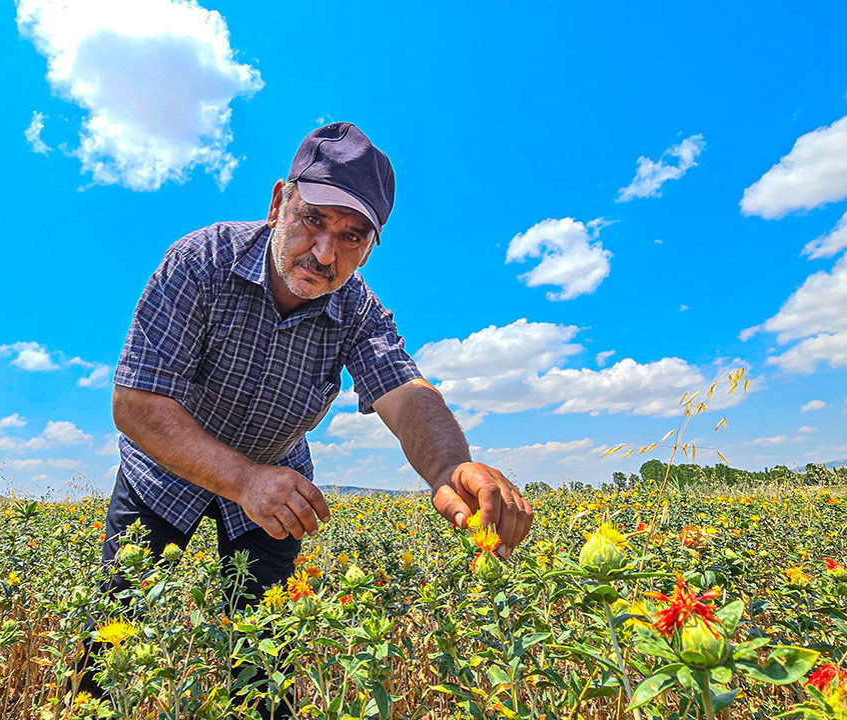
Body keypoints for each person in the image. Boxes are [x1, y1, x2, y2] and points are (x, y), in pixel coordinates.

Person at [79, 121, 535, 717]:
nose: (325, 254)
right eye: (313, 219)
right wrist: (243, 481)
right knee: (112, 645)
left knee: (266, 657)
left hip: (275, 490)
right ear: (278, 203)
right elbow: (136, 403)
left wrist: (453, 466)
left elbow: (404, 391)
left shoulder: (357, 308)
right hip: (163, 479)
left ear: (371, 247)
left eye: (352, 237)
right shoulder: (201, 261)